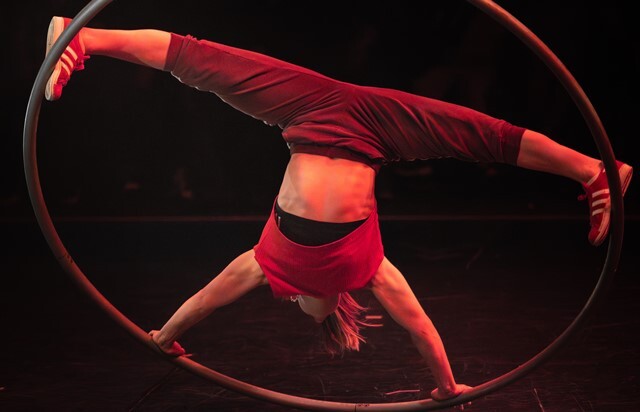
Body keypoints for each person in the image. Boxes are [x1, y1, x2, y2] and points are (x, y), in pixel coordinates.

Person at [44, 16, 632, 402]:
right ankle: (592, 169)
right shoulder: (368, 270)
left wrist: (164, 337)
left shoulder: (266, 265)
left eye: (295, 299)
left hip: (309, 116)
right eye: (301, 303)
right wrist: (446, 387)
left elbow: (201, 303)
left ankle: (82, 36)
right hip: (374, 134)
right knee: (478, 135)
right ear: (333, 305)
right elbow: (419, 326)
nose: (294, 297)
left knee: (206, 65)